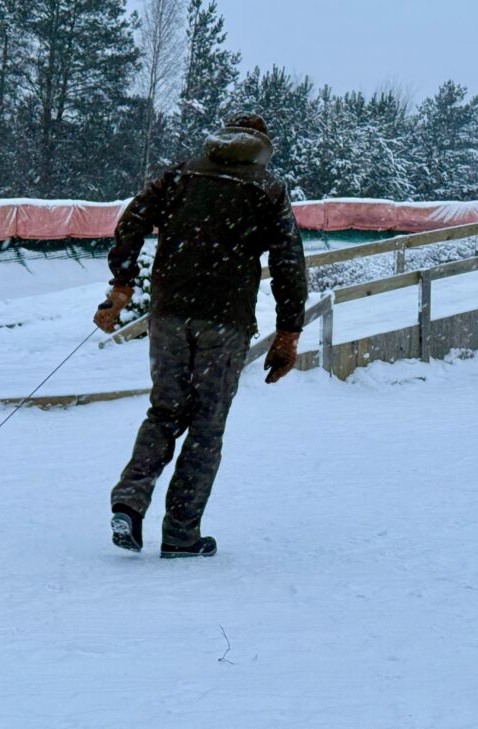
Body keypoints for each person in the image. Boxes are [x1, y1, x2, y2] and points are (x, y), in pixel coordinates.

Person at [94, 113, 308, 558]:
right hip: (225, 321)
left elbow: (132, 220)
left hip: (168, 313)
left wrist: (122, 281)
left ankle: (129, 504)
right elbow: (288, 263)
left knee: (164, 411)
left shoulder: (179, 174)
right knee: (206, 427)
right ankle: (180, 535)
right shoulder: (267, 189)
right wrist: (288, 332)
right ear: (262, 145)